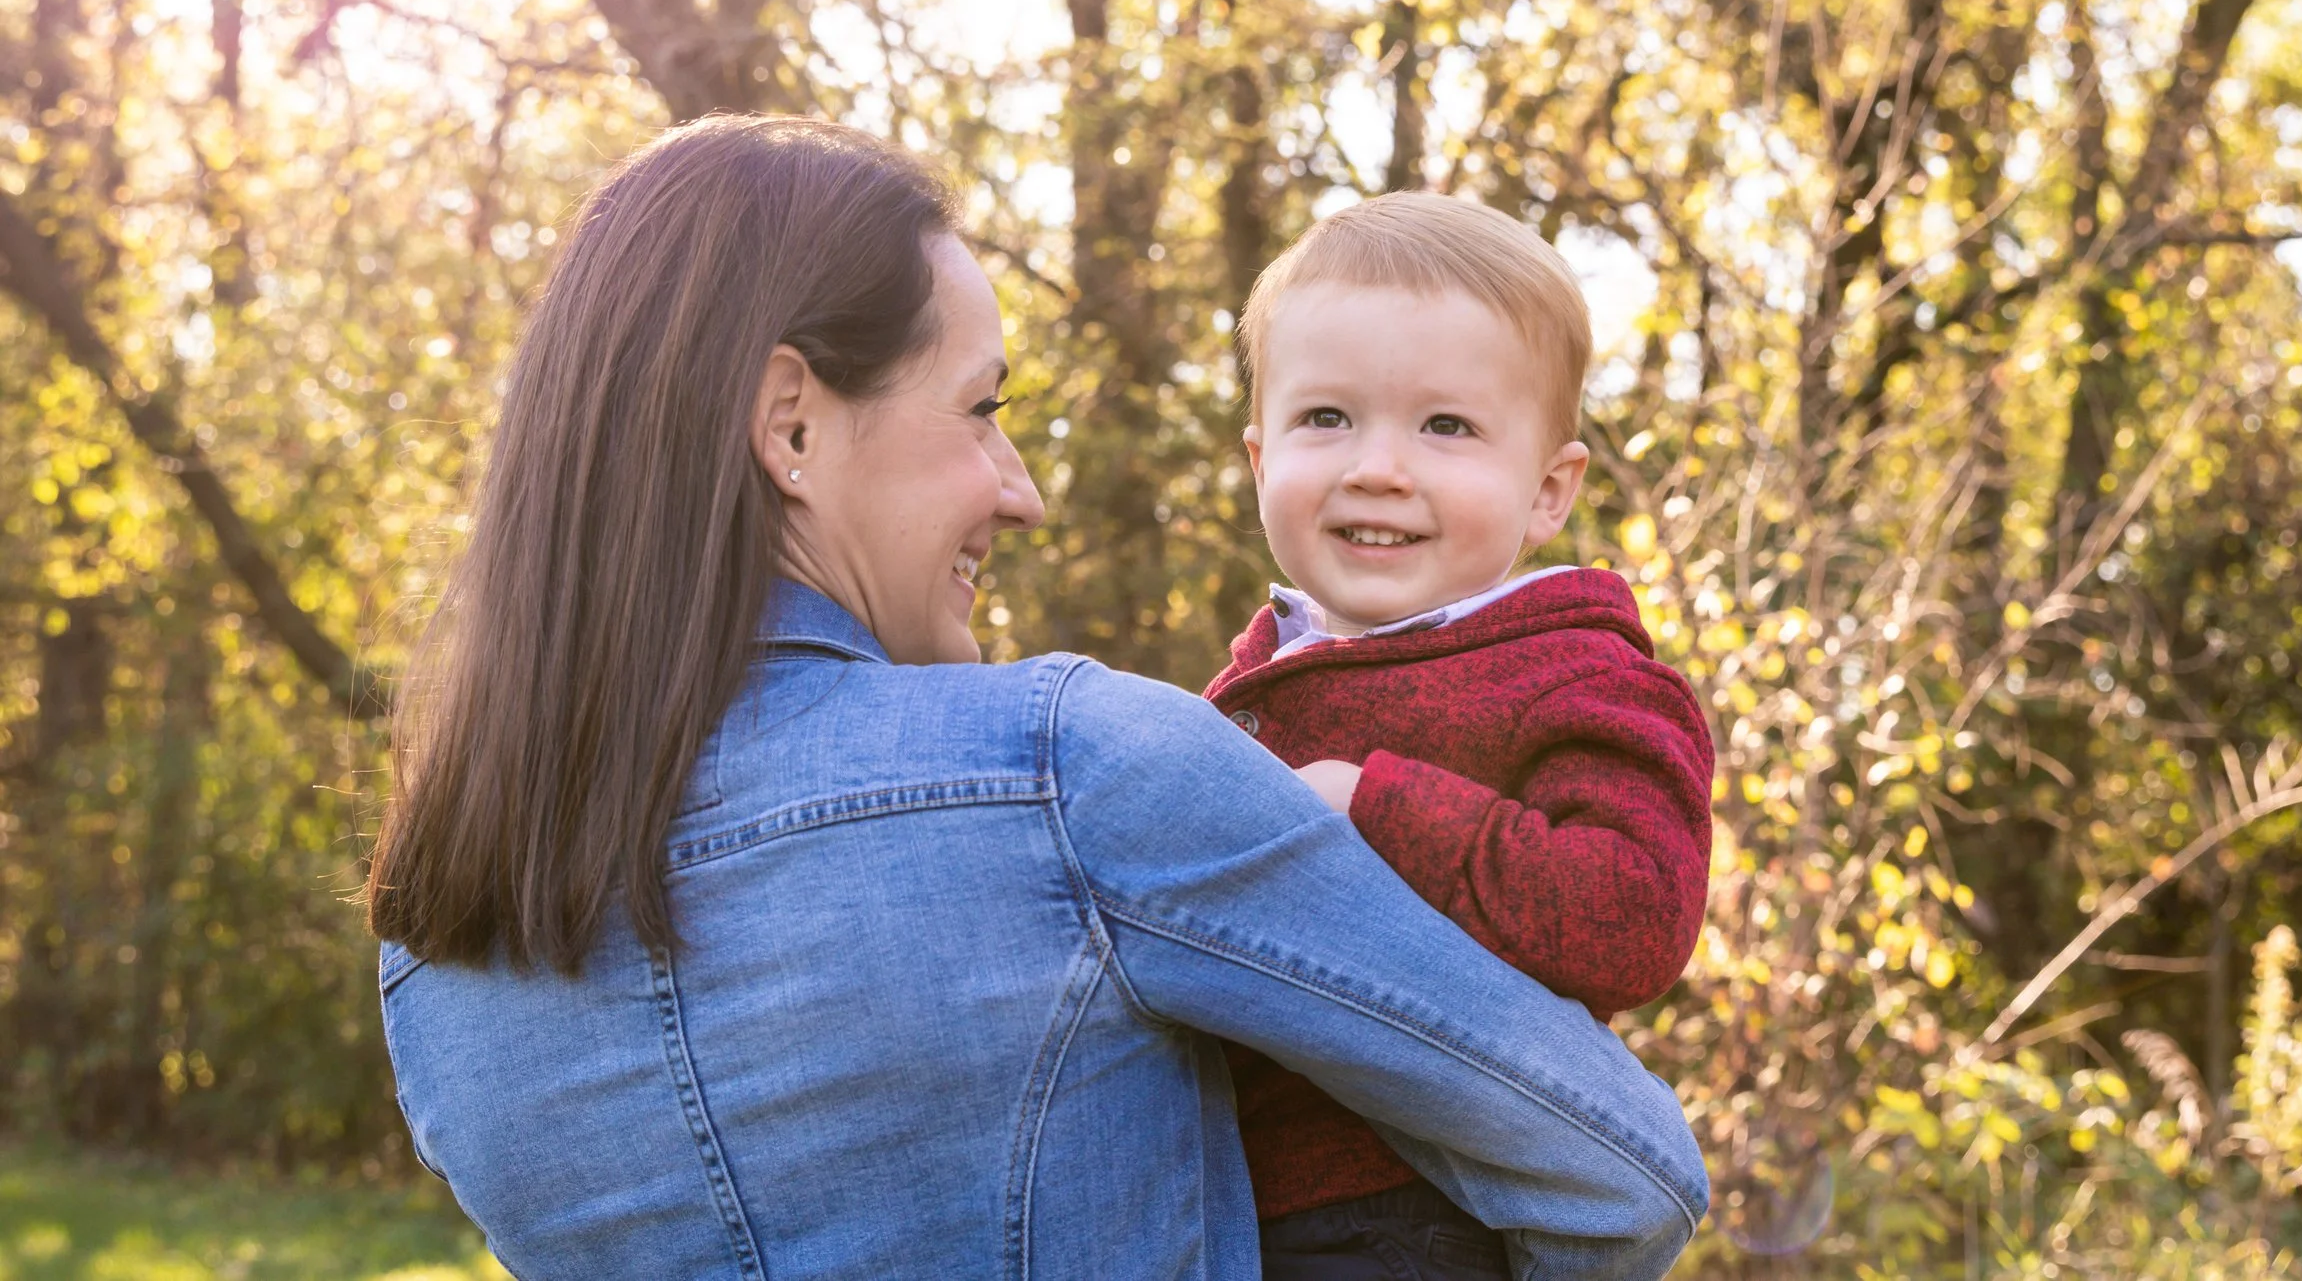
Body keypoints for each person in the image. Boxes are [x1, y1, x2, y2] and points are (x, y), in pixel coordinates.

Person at [365, 116, 1708, 1280]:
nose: (1022, 487)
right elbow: (1623, 1172)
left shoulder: (442, 938)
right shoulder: (1072, 772)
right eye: (982, 407)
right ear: (790, 424)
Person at [1204, 194, 1716, 1280]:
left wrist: (1376, 805)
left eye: (1445, 426)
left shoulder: (1576, 668)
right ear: (1259, 457)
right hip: (1211, 1202)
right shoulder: (1253, 682)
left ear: (1546, 490)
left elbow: (1633, 913)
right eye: (1326, 418)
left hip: (1410, 1216)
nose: (1378, 466)